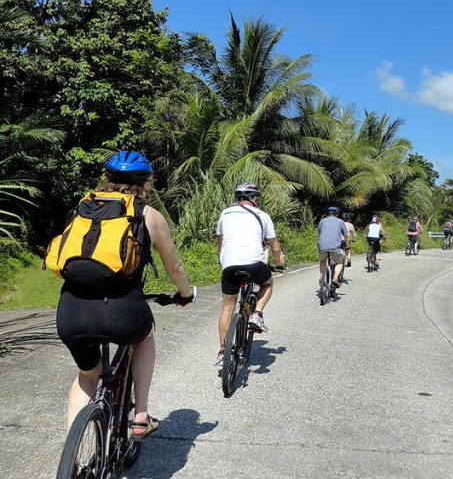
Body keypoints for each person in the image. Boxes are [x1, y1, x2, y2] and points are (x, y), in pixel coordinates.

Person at [55, 151, 195, 439]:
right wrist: (185, 293)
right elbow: (175, 265)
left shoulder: (82, 207)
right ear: (146, 183)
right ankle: (141, 415)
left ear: (107, 179)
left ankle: (72, 455)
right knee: (144, 335)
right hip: (122, 312)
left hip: (71, 312)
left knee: (88, 375)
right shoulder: (148, 215)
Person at [215, 183, 285, 365]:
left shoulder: (225, 213)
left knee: (227, 308)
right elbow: (274, 245)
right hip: (254, 263)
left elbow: (220, 241)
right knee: (268, 283)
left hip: (229, 265)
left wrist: (221, 259)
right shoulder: (262, 215)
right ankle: (257, 314)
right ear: (253, 199)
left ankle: (223, 351)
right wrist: (279, 260)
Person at [317, 206, 348, 288]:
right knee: (340, 262)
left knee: (323, 261)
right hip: (335, 246)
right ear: (337, 214)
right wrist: (347, 245)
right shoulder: (340, 221)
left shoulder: (322, 221)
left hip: (322, 245)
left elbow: (319, 233)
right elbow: (345, 235)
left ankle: (322, 277)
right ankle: (335, 278)